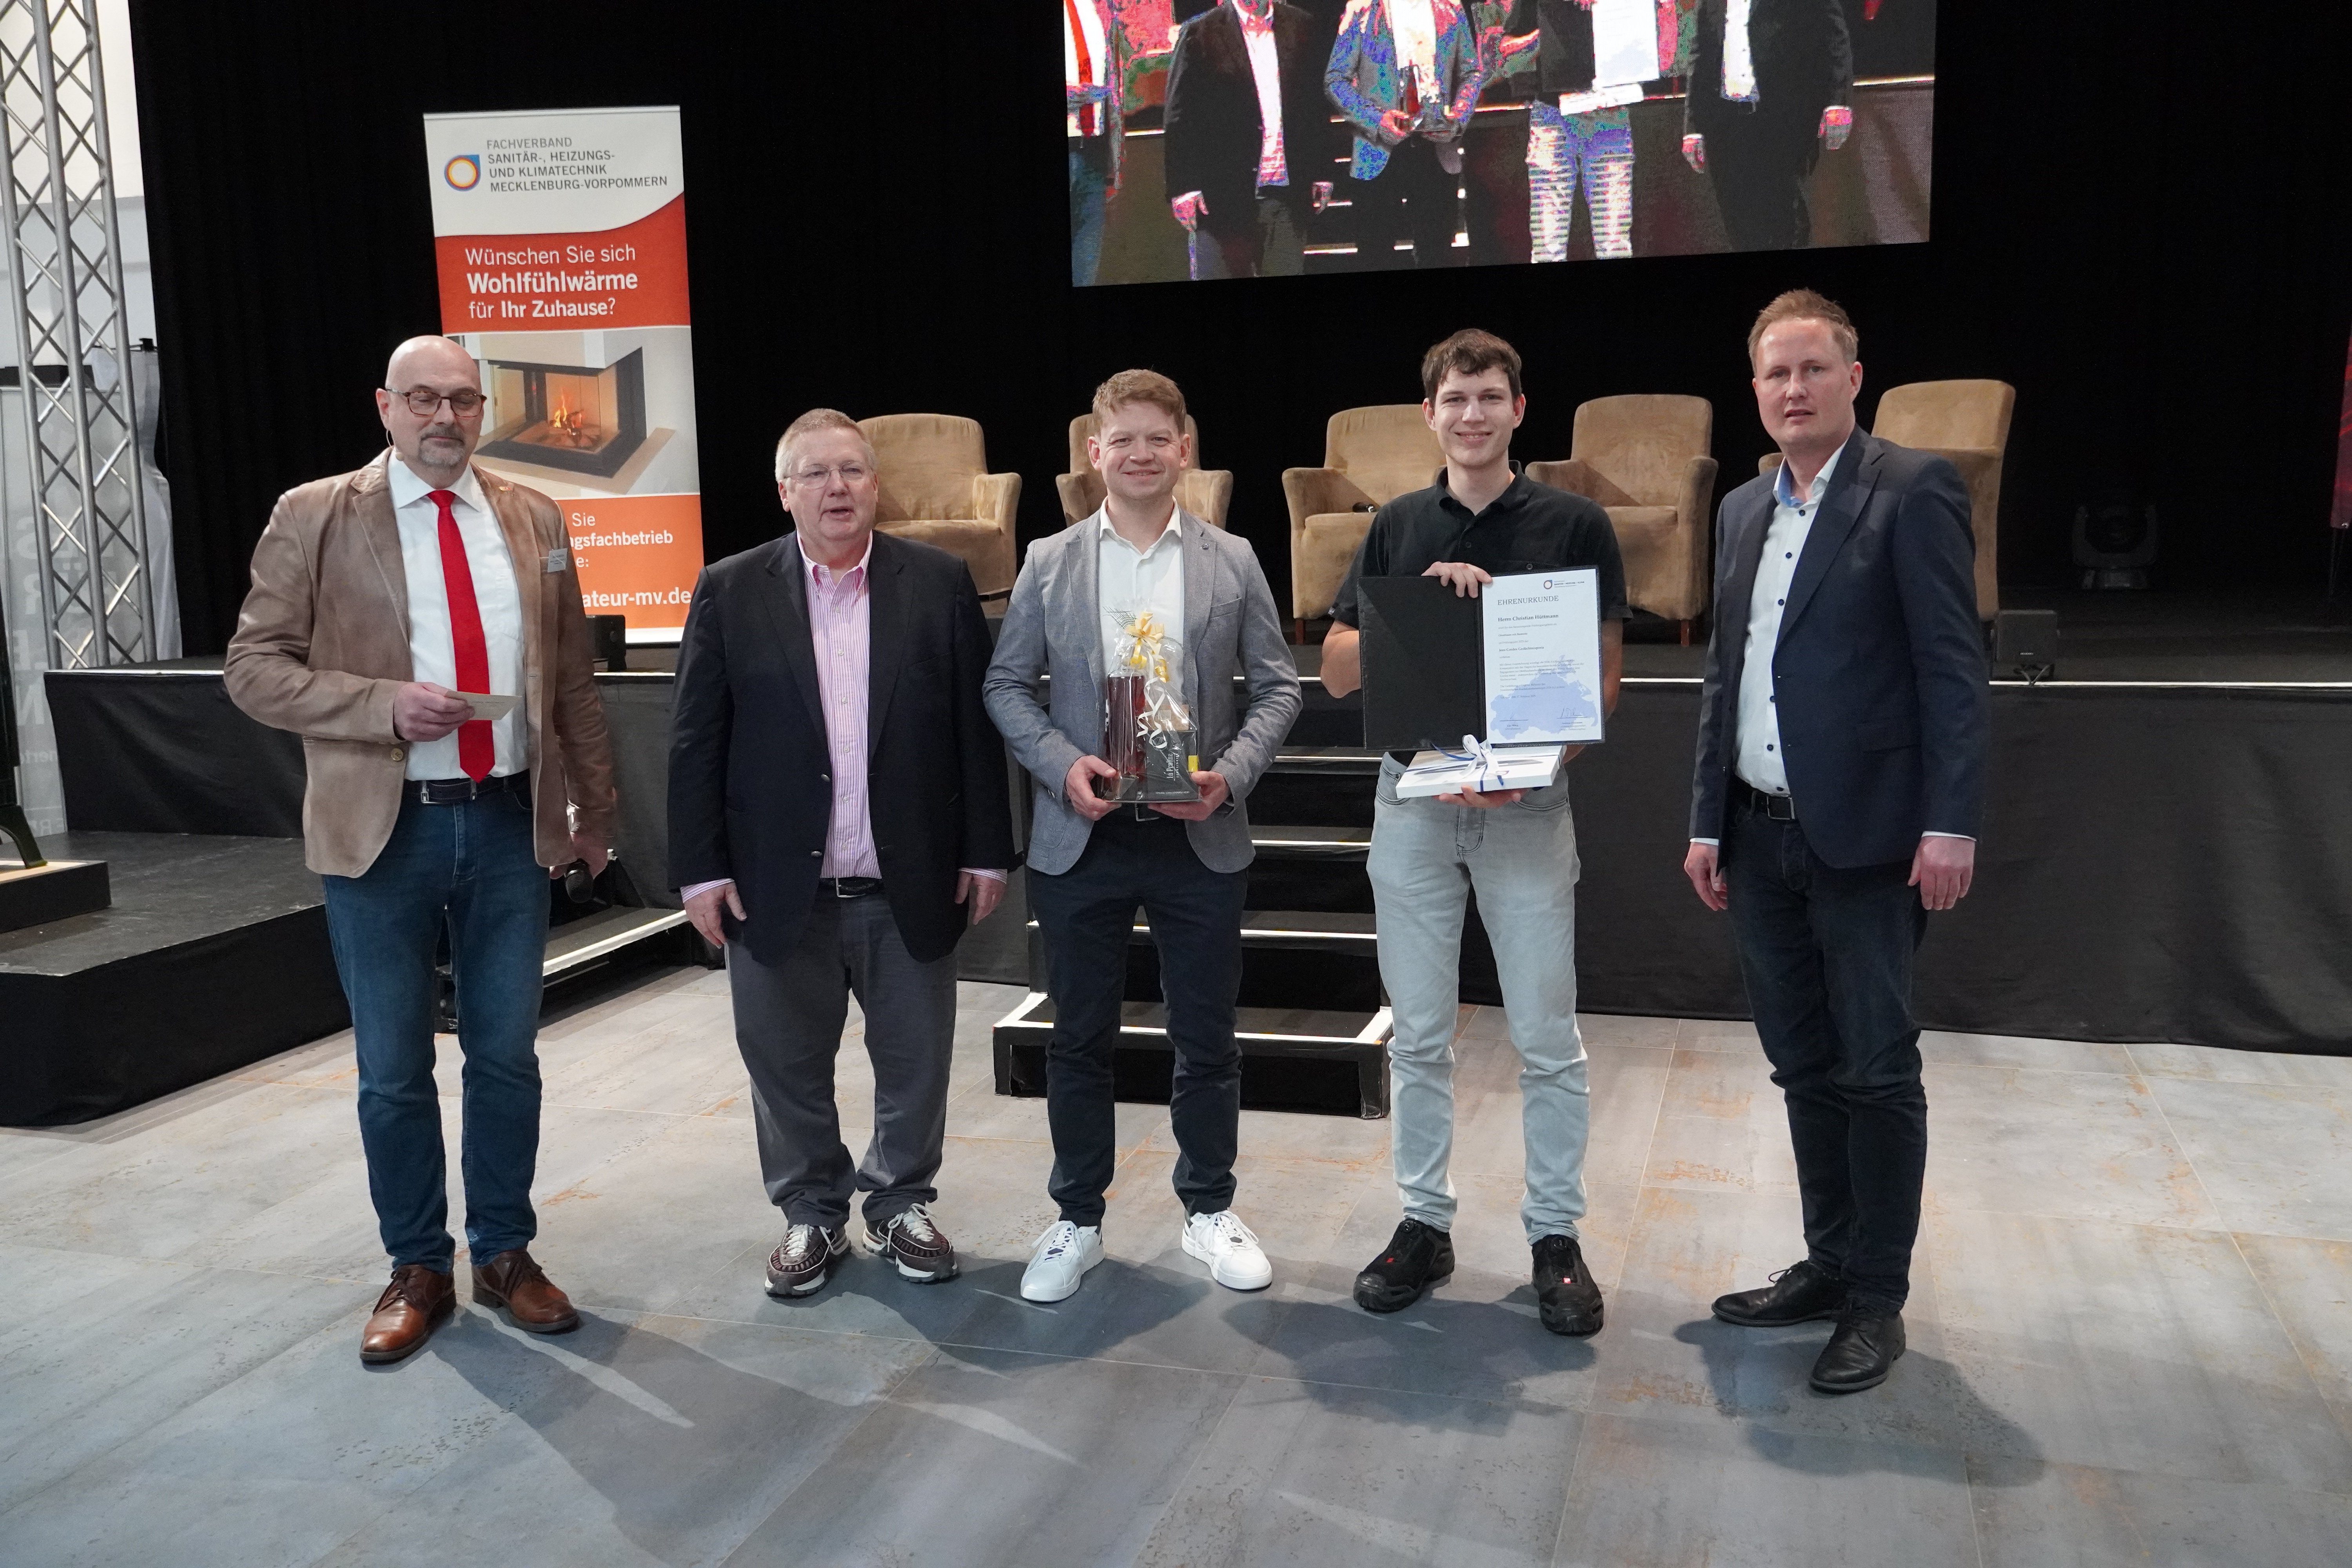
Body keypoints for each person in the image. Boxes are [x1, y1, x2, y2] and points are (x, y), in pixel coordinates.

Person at [225, 335, 617, 1365]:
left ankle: (506, 1253)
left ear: (484, 410)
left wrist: (597, 808)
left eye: (464, 401)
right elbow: (252, 668)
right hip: (381, 833)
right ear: (385, 407)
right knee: (393, 1068)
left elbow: (573, 679)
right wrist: (379, 705)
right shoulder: (315, 514)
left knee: (507, 1058)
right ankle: (416, 1266)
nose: (446, 418)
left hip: (508, 823)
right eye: (424, 399)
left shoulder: (534, 517)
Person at [1682, 290, 1987, 1393]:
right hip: (1757, 837)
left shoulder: (1911, 490)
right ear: (1755, 390)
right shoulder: (1740, 509)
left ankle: (1875, 1300)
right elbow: (1726, 674)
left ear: (1854, 378)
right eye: (1776, 374)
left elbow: (1953, 668)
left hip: (1869, 841)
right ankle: (1827, 1262)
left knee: (1876, 1070)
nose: (1794, 389)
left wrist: (1949, 820)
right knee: (1803, 1065)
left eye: (1813, 369)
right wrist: (1706, 818)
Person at [668, 409, 1015, 1300]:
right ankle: (812, 1211)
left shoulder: (937, 582)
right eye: (816, 474)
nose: (837, 488)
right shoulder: (729, 588)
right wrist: (701, 868)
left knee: (917, 1064)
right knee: (784, 1065)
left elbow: (974, 731)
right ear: (785, 492)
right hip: (774, 886)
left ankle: (899, 1202)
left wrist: (987, 851)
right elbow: (696, 741)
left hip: (909, 879)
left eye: (853, 471)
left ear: (876, 485)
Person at [1319, 328, 1626, 1335]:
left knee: (1546, 1035)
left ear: (1518, 408)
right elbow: (1336, 672)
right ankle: (1424, 1222)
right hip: (1413, 803)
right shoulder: (1397, 525)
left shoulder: (1576, 524)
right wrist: (1416, 608)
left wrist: (1526, 770)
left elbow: (1601, 688)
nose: (1472, 414)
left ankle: (1555, 1235)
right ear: (1430, 415)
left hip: (1525, 809)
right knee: (1417, 1033)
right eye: (1454, 399)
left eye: (1490, 396)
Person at [983, 369, 1301, 1304]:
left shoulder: (1231, 558)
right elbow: (1006, 684)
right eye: (1121, 438)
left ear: (1185, 447)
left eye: (1158, 437)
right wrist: (1061, 765)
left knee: (1206, 1036)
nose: (1140, 453)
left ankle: (1209, 1208)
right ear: (1094, 453)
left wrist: (1229, 775)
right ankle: (1077, 1219)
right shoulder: (1049, 560)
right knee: (1079, 1038)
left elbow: (1278, 685)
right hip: (1083, 833)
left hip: (1196, 831)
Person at [1163, 0, 1339, 281]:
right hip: (1221, 197)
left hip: (1285, 193)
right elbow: (1179, 115)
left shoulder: (1303, 26)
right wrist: (1183, 186)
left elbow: (1315, 104)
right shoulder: (1199, 33)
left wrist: (1322, 170)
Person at [1501, 0, 1669, 261]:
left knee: (1613, 241)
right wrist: (1549, 31)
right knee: (1547, 242)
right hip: (1553, 115)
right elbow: (1506, 50)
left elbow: (1665, 53)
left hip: (1608, 114)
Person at [1679, 0, 1852, 251]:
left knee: (1787, 217)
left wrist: (1838, 101)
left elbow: (1834, 36)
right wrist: (1693, 127)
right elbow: (1700, 57)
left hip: (1785, 117)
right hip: (1727, 126)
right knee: (1739, 221)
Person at [1326, 0, 1485, 268]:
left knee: (1437, 256)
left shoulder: (1451, 6)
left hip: (1436, 149)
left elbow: (1472, 73)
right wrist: (1378, 121)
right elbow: (1335, 80)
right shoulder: (1363, 8)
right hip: (1378, 150)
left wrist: (1458, 117)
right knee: (1376, 258)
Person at [1067, 0, 1132, 285]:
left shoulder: (1101, 8)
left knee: (1085, 268)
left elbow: (1116, 81)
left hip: (1095, 150)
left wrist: (1115, 162)